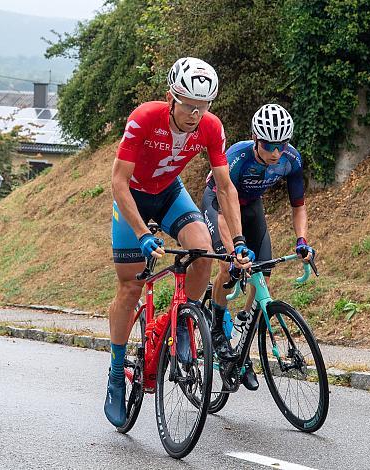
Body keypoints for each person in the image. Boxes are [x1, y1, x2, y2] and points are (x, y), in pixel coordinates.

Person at [104, 58, 254, 427]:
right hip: (134, 196)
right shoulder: (145, 117)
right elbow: (118, 183)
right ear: (172, 97)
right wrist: (142, 233)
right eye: (188, 104)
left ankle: (183, 326)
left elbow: (225, 186)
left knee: (203, 252)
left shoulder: (210, 127)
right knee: (129, 287)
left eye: (202, 107)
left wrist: (237, 241)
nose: (194, 114)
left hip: (169, 192)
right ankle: (115, 375)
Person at [201, 103, 315, 391]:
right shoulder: (237, 157)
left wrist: (302, 240)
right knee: (230, 267)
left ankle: (243, 328)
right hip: (219, 207)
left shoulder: (291, 160)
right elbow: (223, 208)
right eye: (268, 144)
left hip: (251, 207)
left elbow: (298, 206)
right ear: (255, 138)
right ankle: (216, 328)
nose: (275, 152)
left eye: (282, 144)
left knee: (263, 274)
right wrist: (235, 250)